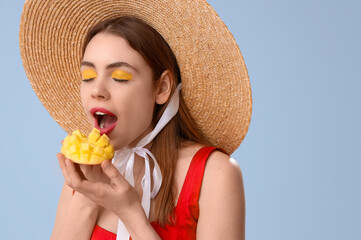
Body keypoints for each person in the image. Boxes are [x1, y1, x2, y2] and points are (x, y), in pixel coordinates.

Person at [19, 1, 252, 239]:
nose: (96, 90)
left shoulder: (215, 174)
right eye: (88, 76)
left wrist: (129, 212)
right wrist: (88, 197)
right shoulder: (82, 177)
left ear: (161, 88)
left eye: (119, 77)